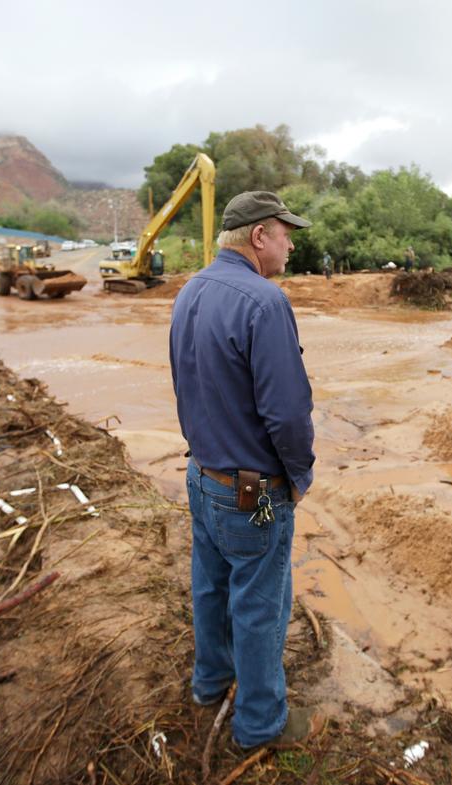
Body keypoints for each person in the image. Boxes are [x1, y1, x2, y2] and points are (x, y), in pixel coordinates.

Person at [169, 191, 323, 750]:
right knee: (260, 605)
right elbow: (286, 412)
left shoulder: (190, 290)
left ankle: (209, 684)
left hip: (202, 475)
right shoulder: (265, 301)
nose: (290, 244)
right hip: (253, 490)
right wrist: (298, 477)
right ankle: (260, 725)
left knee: (211, 586)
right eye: (286, 233)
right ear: (260, 236)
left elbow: (186, 383)